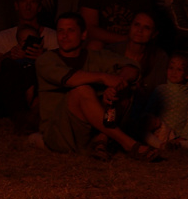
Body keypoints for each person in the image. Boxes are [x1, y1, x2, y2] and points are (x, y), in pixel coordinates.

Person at [34, 12, 160, 161]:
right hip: (60, 133)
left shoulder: (95, 56)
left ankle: (101, 140)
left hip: (92, 129)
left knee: (124, 90)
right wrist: (104, 77)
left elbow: (132, 68)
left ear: (83, 34)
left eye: (71, 30)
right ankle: (129, 144)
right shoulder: (46, 60)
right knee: (82, 90)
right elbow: (72, 79)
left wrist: (117, 85)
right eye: (61, 31)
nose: (64, 35)